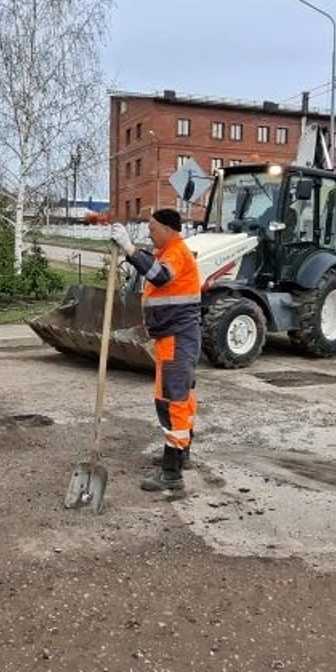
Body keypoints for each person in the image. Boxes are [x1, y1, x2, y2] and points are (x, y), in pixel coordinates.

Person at [109, 209, 201, 492]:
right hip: (173, 338)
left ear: (169, 229)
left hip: (177, 338)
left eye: (153, 228)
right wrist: (129, 253)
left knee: (171, 402)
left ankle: (171, 473)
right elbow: (152, 267)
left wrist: (128, 247)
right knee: (180, 399)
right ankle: (180, 455)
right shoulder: (168, 251)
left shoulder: (176, 253)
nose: (149, 233)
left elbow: (159, 276)